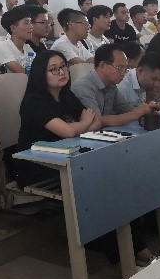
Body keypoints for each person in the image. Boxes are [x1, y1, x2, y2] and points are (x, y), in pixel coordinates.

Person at [14, 51, 100, 187]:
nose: (61, 72)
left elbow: (97, 122)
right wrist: (85, 122)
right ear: (40, 74)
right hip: (37, 164)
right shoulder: (34, 102)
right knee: (95, 170)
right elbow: (68, 131)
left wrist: (77, 127)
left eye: (63, 66)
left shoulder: (66, 94)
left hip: (67, 155)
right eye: (53, 69)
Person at [70, 43, 156, 127]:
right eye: (120, 68)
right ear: (103, 66)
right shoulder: (83, 87)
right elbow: (96, 121)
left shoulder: (111, 85)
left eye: (125, 68)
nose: (123, 73)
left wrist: (147, 108)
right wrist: (135, 114)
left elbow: (126, 108)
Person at [0, 6, 37, 74]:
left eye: (30, 22)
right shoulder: (3, 47)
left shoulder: (27, 48)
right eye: (26, 23)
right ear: (13, 28)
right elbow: (22, 72)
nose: (31, 26)